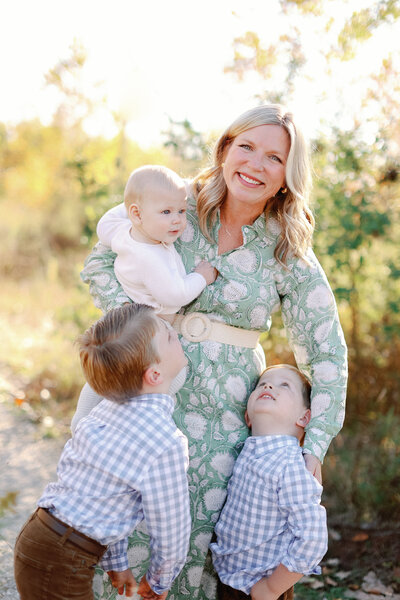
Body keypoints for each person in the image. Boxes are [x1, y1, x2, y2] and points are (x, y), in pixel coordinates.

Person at [78, 104, 348, 600]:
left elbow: (327, 352)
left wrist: (316, 443)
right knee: (124, 526)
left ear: (288, 175)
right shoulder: (171, 198)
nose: (255, 164)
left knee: (194, 539)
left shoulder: (288, 245)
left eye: (274, 157)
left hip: (224, 419)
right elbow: (99, 266)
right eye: (245, 146)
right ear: (225, 150)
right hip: (148, 390)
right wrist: (140, 332)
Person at [14, 304, 191, 600]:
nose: (176, 333)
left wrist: (116, 564)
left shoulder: (102, 414)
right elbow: (171, 529)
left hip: (39, 534)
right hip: (64, 557)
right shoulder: (165, 442)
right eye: (170, 336)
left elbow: (108, 499)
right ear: (155, 374)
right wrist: (160, 581)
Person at [210, 364, 328, 600]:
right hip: (229, 578)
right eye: (262, 384)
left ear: (304, 417)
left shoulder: (290, 465)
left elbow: (313, 538)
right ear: (248, 416)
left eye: (285, 385)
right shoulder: (248, 451)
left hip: (260, 585)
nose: (269, 385)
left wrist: (272, 588)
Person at [97, 164, 217, 315]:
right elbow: (176, 296)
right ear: (136, 214)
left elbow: (104, 224)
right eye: (166, 211)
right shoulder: (149, 258)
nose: (177, 220)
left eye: (181, 210)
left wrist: (142, 200)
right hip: (156, 322)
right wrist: (202, 277)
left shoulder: (123, 232)